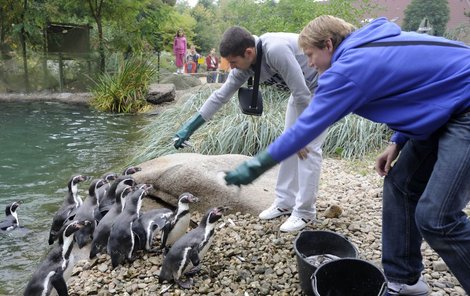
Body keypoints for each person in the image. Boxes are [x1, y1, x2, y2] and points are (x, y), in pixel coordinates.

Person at [224, 15, 470, 295]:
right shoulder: (369, 44)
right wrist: (398, 140)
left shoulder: (349, 67)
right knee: (400, 184)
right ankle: (405, 282)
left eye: (310, 55)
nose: (310, 63)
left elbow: (306, 125)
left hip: (465, 110)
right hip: (452, 106)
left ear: (328, 44)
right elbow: (424, 89)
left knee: (436, 218)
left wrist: (255, 166)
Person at [174, 26, 328, 232]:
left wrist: (301, 136)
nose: (232, 68)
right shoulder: (243, 66)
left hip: (323, 88)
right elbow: (220, 96)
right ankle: (285, 201)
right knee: (288, 143)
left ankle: (305, 212)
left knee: (308, 149)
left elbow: (301, 94)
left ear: (248, 52)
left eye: (234, 62)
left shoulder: (275, 50)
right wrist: (190, 127)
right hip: (302, 93)